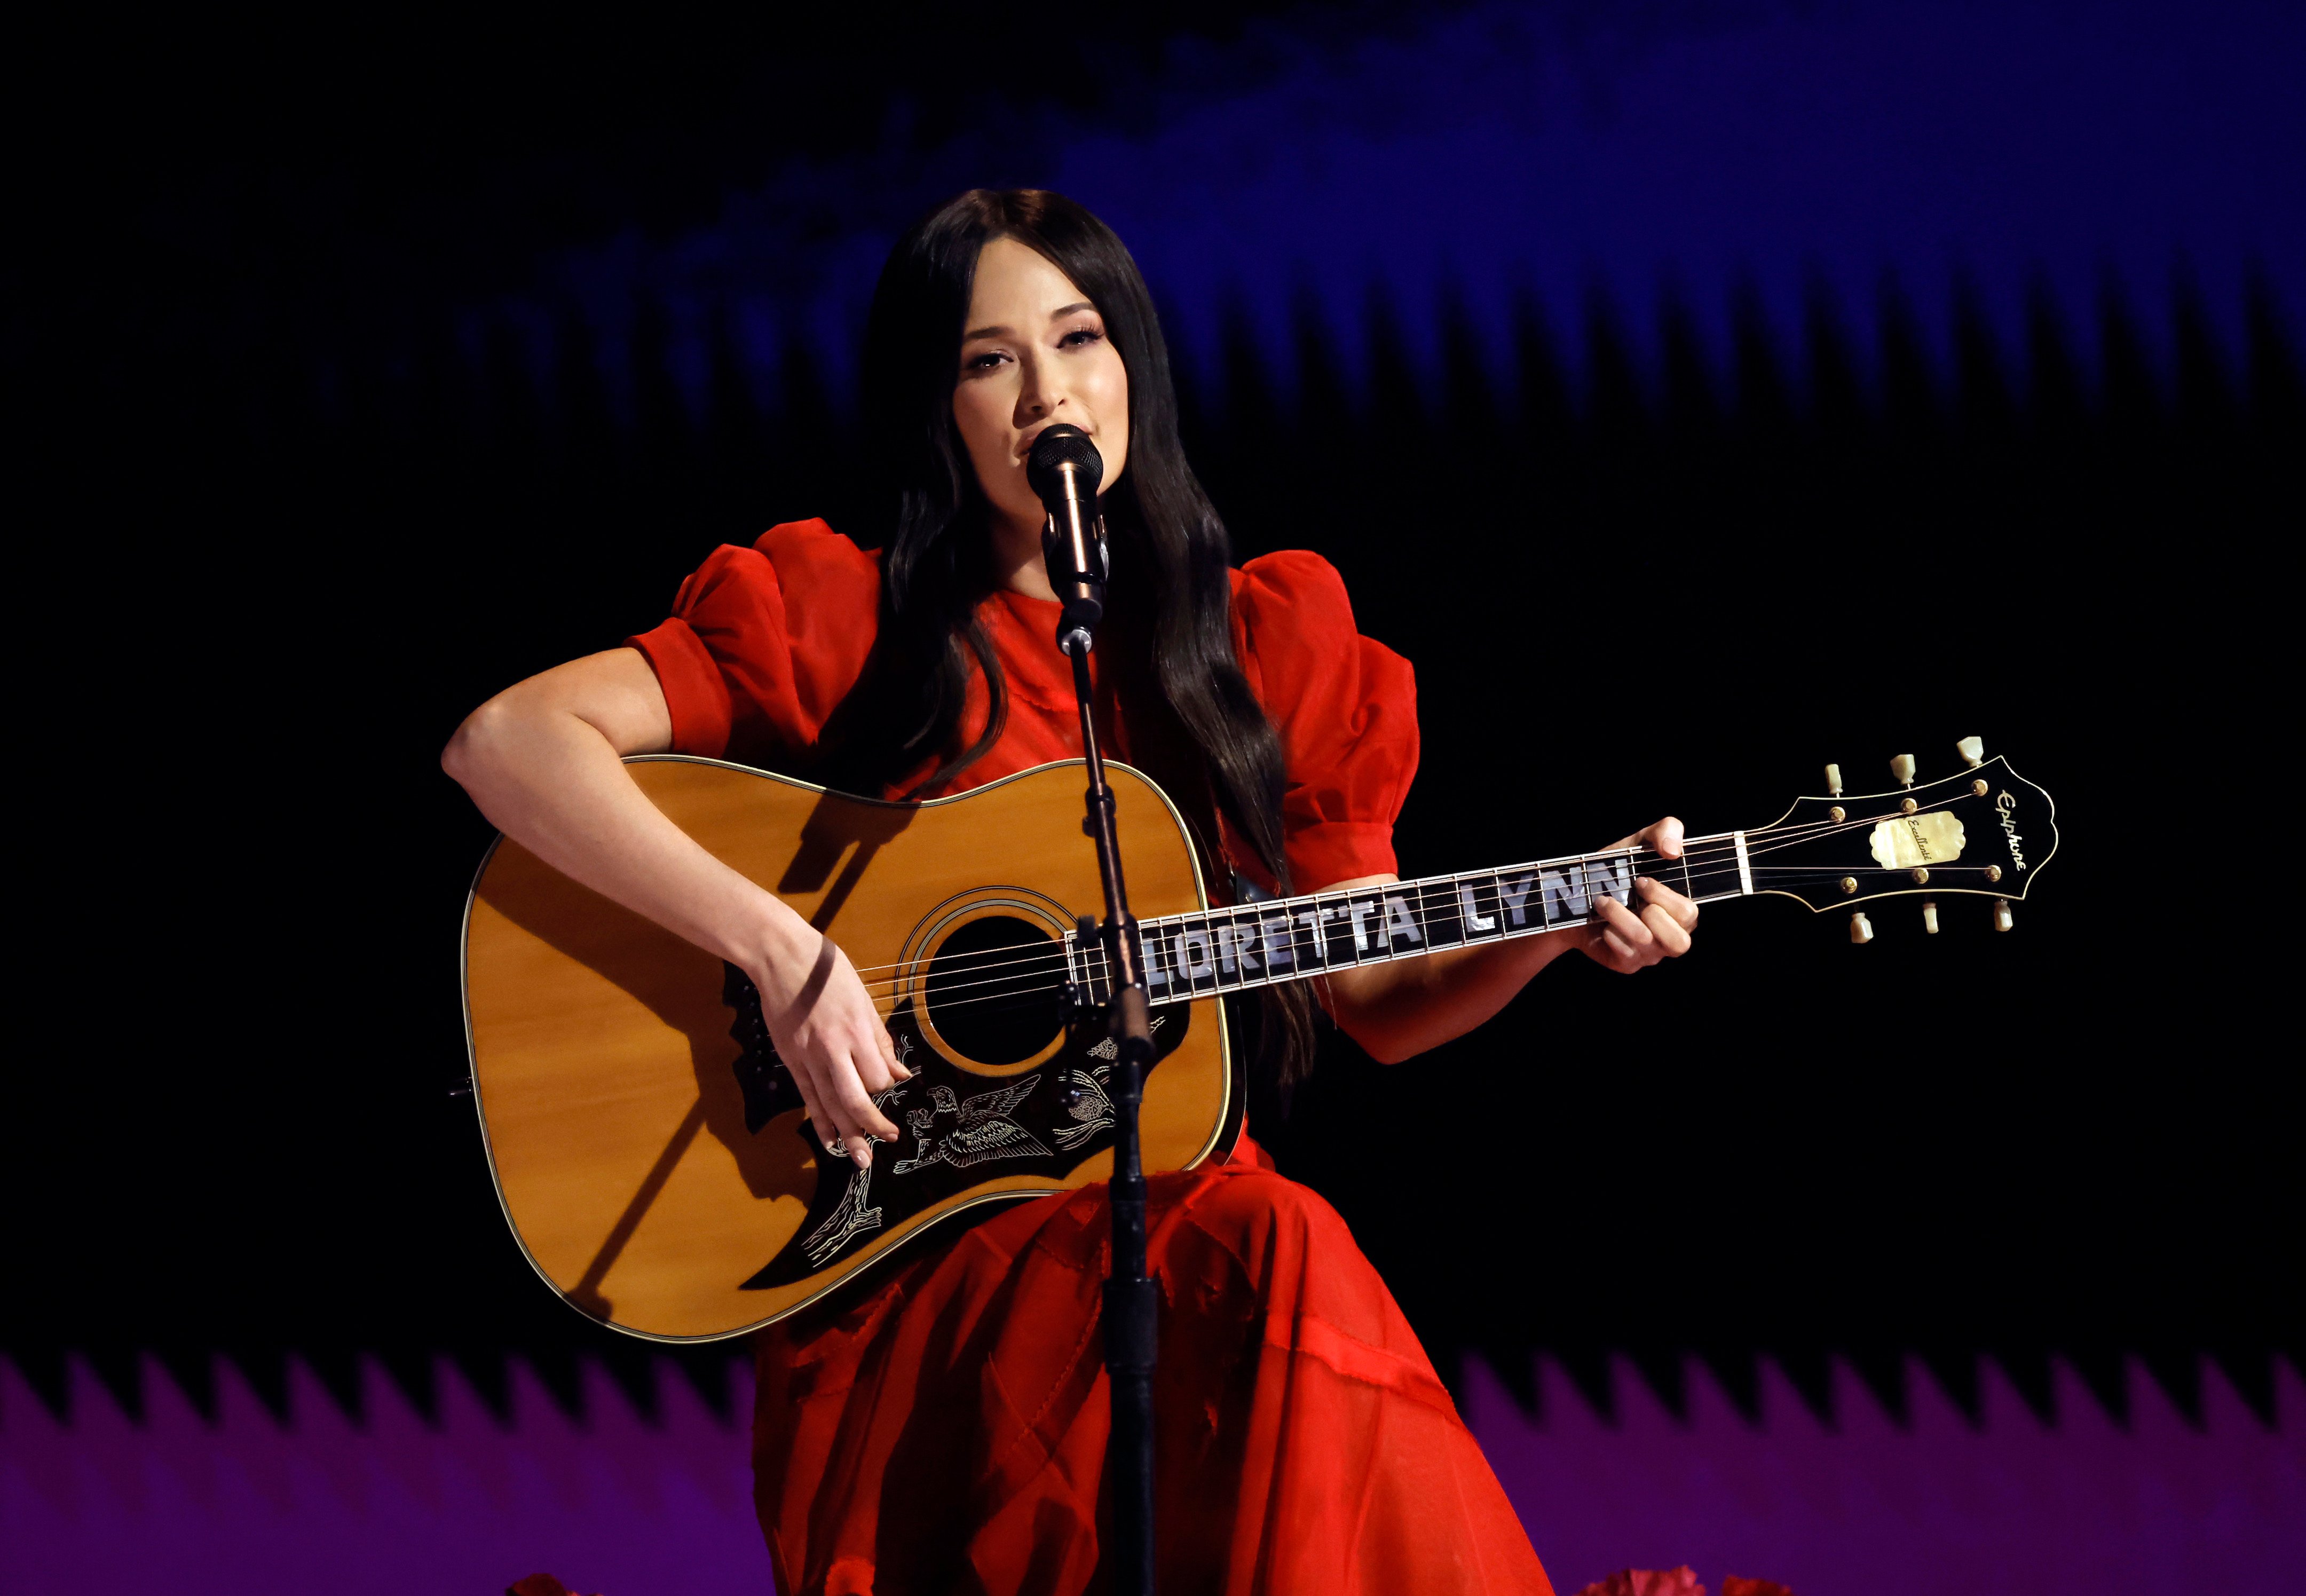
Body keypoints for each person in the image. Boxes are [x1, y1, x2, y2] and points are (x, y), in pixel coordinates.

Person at [444, 189, 1699, 1596]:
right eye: (991, 360)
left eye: (1080, 337)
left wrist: (1559, 924)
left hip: (1186, 1244)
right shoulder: (842, 619)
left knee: (1271, 1240)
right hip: (912, 1265)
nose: (1049, 391)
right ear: (938, 404)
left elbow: (1377, 1003)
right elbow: (506, 743)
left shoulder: (1259, 653)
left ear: (1133, 369)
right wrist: (780, 951)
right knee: (1277, 1242)